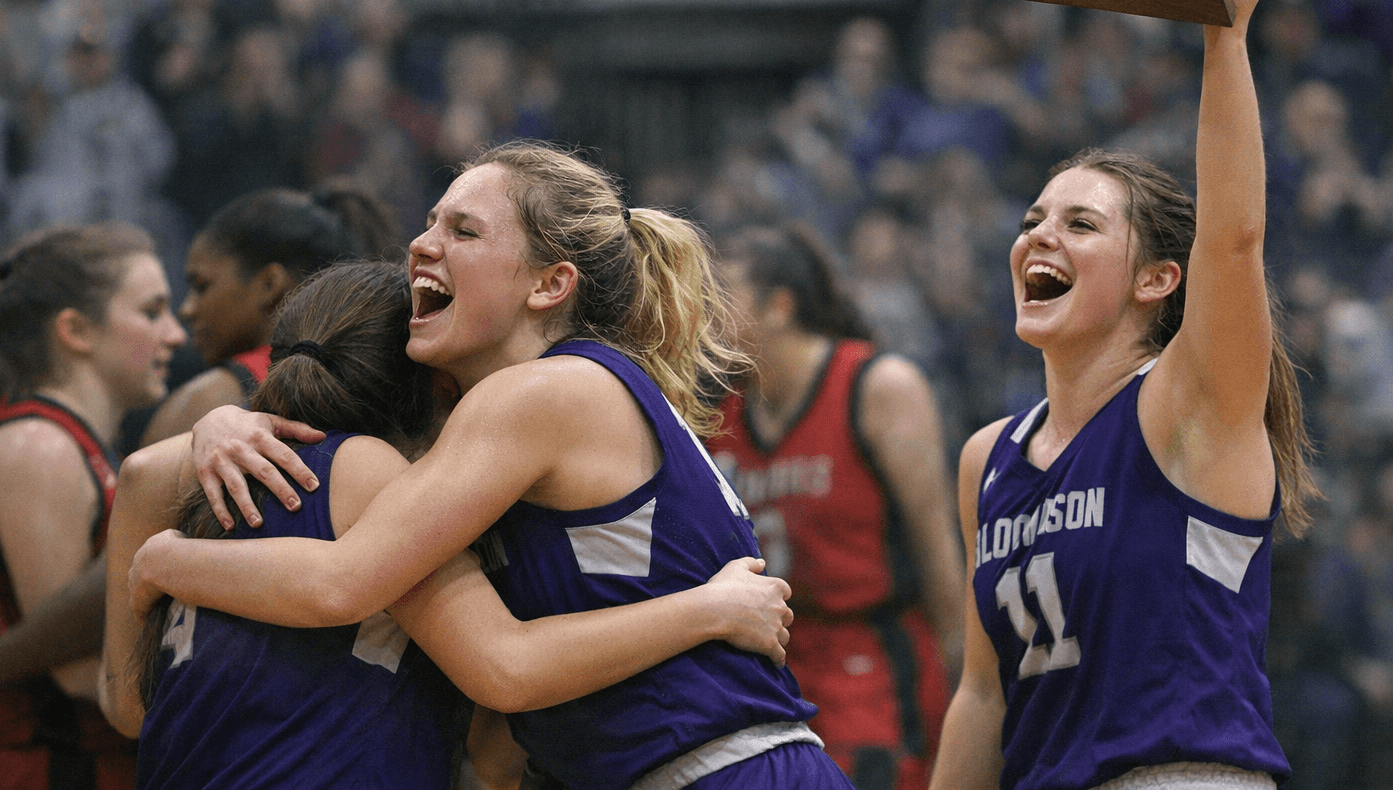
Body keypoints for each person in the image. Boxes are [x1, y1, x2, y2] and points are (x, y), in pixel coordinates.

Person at [130, 141, 855, 789]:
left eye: (462, 230)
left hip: (724, 769)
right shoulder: (525, 407)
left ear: (548, 286)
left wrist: (164, 561)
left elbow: (344, 584)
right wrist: (221, 422)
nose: (420, 244)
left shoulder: (540, 394)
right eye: (431, 221)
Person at [929, 0, 1316, 790]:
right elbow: (983, 697)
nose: (1039, 237)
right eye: (1031, 220)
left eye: (1080, 224)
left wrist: (1224, 34)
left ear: (1155, 281)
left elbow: (1235, 240)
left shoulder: (1189, 405)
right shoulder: (986, 460)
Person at [709, 224, 965, 790]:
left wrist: (974, 693)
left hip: (873, 666)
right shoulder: (718, 414)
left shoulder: (878, 386)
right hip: (774, 669)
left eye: (722, 296)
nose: (705, 315)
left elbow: (939, 555)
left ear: (778, 306)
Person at [0, 223, 186, 789]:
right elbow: (78, 672)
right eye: (152, 312)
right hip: (41, 765)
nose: (175, 334)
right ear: (75, 330)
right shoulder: (36, 448)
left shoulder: (73, 443)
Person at [141, 184, 401, 444]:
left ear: (269, 285)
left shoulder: (209, 400)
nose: (187, 310)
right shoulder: (380, 388)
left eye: (201, 286)